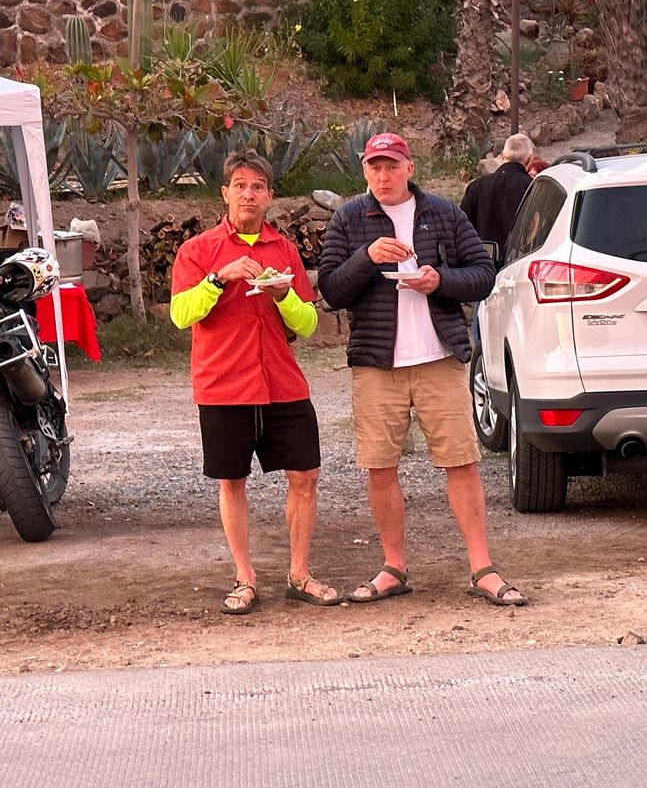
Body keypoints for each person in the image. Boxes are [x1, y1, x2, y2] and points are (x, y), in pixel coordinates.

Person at [318, 132, 526, 606]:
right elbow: (332, 290)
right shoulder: (349, 218)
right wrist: (367, 258)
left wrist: (438, 280)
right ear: (364, 171)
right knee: (379, 467)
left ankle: (482, 568)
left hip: (439, 359)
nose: (383, 176)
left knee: (461, 462)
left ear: (409, 167)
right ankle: (393, 567)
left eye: (392, 166)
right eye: (375, 167)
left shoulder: (443, 212)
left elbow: (483, 273)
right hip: (376, 364)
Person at [170, 148, 340, 616]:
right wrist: (217, 279)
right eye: (240, 185)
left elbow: (306, 324)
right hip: (224, 385)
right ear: (225, 193)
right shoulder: (199, 250)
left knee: (305, 475)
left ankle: (300, 574)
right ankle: (244, 577)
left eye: (258, 187)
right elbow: (181, 315)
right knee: (232, 481)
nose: (249, 193)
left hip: (283, 384)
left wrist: (284, 293)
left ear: (269, 197)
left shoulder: (283, 250)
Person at [460, 132, 535, 251]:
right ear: (530, 158)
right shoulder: (532, 187)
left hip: (482, 259)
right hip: (518, 260)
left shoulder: (477, 186)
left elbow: (463, 227)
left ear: (503, 156)